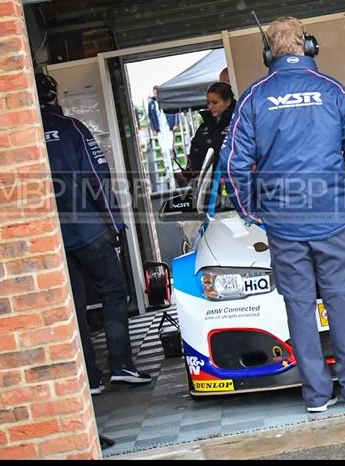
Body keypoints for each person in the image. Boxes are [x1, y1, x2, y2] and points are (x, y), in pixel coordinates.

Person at [220, 16, 345, 413]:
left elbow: (233, 165)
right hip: (331, 215)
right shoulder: (334, 91)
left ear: (267, 54)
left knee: (299, 305)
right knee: (340, 299)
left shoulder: (254, 97)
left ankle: (316, 395)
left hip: (283, 221)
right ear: (308, 47)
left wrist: (250, 210)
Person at [35, 72, 152, 395]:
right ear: (54, 96)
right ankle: (121, 366)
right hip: (88, 232)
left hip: (50, 239)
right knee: (114, 292)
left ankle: (90, 379)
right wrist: (114, 224)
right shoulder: (71, 128)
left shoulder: (22, 133)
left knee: (72, 305)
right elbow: (97, 180)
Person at [180, 81, 235, 184]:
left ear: (227, 102)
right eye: (208, 103)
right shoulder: (204, 126)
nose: (210, 107)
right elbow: (195, 151)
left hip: (231, 182)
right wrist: (190, 171)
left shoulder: (238, 122)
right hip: (208, 186)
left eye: (215, 103)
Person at [148, 86, 179, 189]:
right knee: (163, 148)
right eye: (155, 93)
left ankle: (174, 166)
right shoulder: (151, 104)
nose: (156, 94)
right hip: (160, 128)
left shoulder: (167, 100)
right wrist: (153, 128)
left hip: (168, 126)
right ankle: (167, 168)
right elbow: (150, 117)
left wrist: (175, 123)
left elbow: (175, 112)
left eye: (157, 92)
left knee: (170, 147)